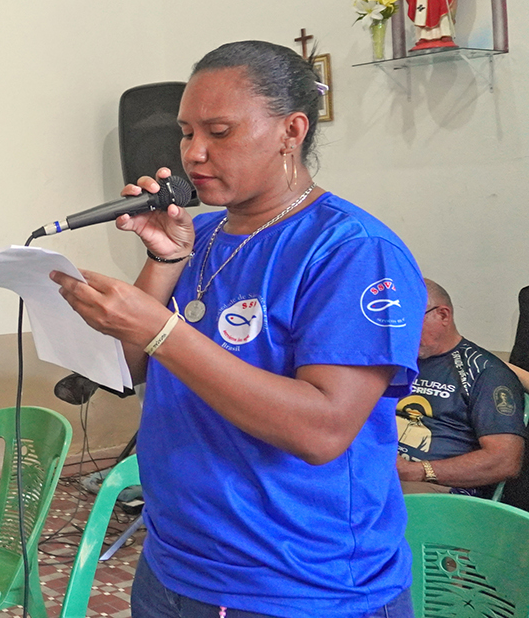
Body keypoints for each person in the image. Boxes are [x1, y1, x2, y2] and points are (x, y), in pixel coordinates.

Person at [51, 41, 424, 618]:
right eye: (186, 133)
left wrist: (164, 331)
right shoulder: (200, 237)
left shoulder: (352, 251)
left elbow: (322, 431)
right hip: (175, 562)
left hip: (297, 583)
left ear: (291, 131)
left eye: (219, 132)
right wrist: (163, 263)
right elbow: (127, 368)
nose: (193, 153)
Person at [396, 279, 526, 495]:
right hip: (377, 469)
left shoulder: (484, 372)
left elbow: (505, 460)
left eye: (409, 322)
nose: (402, 332)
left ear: (443, 315)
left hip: (437, 489)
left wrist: (416, 471)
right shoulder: (395, 362)